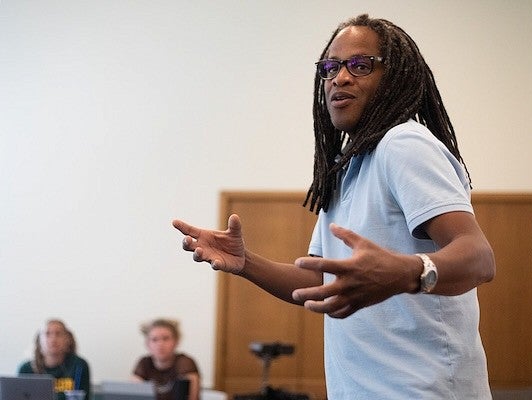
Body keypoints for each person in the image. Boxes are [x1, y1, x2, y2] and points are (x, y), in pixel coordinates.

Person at [173, 14, 496, 399]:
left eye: (360, 65)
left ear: (394, 78)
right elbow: (320, 283)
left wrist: (406, 271)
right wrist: (246, 263)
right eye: (330, 67)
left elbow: (478, 258)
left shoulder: (404, 144)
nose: (339, 78)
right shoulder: (347, 168)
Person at [18, 319, 91, 400]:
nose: (53, 339)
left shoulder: (79, 366)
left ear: (67, 339)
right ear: (39, 340)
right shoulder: (26, 369)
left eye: (58, 334)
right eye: (47, 334)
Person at [132, 318, 201, 400]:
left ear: (176, 341)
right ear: (147, 344)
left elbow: (191, 397)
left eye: (166, 338)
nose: (160, 344)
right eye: (154, 339)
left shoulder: (185, 363)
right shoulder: (144, 363)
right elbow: (134, 394)